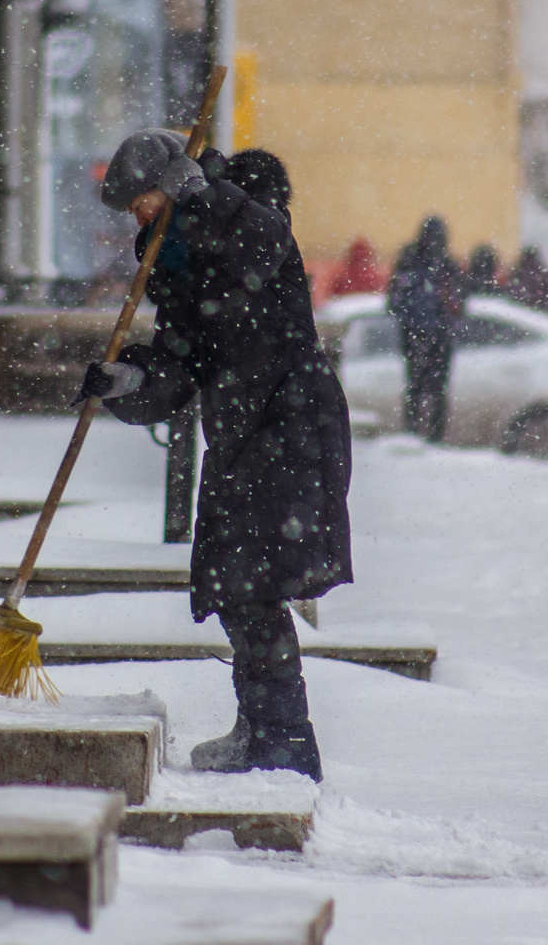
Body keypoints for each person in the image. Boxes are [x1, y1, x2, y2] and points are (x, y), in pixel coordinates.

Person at [79, 130, 353, 780]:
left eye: (142, 200)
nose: (138, 216)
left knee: (256, 586)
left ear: (172, 181)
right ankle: (260, 728)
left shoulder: (249, 225)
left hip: (289, 425)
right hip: (240, 432)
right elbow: (180, 362)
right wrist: (130, 382)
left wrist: (203, 200)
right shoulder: (177, 262)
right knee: (233, 586)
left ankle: (286, 740)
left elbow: (258, 252)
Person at [387, 217, 464, 442]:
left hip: (426, 334)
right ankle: (427, 437)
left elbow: (393, 300)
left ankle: (420, 436)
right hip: (429, 334)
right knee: (428, 389)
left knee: (421, 388)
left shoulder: (412, 263)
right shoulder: (442, 264)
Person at [505, 245, 548, 316]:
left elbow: (512, 293)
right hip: (541, 314)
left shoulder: (518, 275)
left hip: (519, 312)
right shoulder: (544, 276)